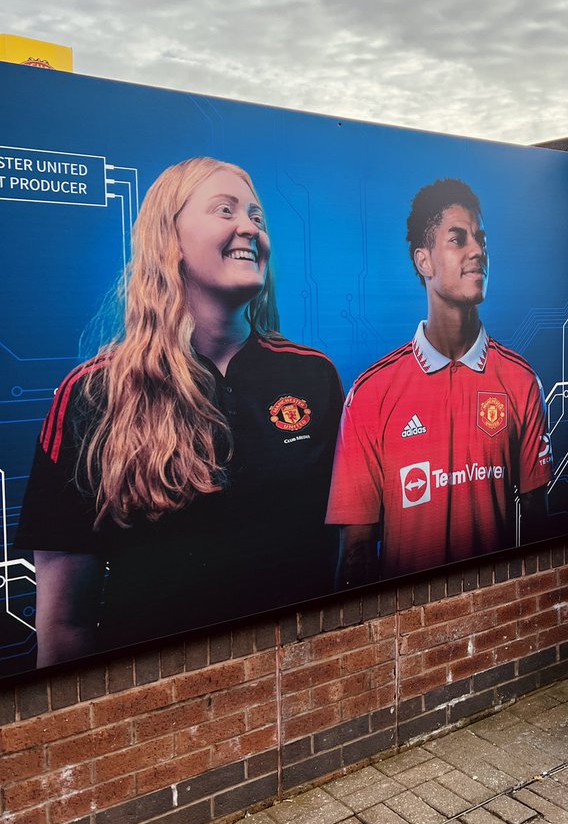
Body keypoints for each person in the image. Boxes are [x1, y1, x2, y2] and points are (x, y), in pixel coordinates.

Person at [17, 156, 343, 666]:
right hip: (160, 710)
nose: (248, 228)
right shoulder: (91, 395)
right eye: (225, 210)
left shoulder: (314, 375)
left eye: (257, 217)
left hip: (295, 684)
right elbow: (64, 621)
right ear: (168, 239)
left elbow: (337, 558)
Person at [326, 178, 552, 586]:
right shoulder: (371, 395)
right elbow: (357, 549)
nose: (478, 251)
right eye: (458, 239)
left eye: (480, 239)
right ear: (424, 262)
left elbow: (537, 522)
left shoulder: (520, 381)